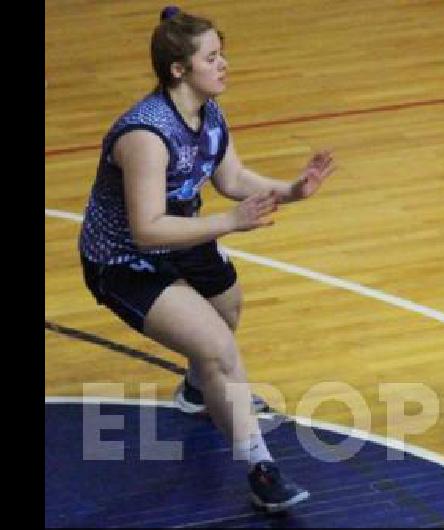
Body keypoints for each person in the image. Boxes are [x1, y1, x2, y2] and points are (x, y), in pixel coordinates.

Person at [78, 6, 335, 512]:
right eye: (212, 58)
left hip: (182, 236)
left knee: (229, 306)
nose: (224, 65)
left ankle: (198, 391)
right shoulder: (145, 136)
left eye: (223, 54)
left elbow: (232, 179)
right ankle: (261, 470)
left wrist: (292, 190)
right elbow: (148, 230)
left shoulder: (208, 113)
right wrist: (230, 222)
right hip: (124, 259)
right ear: (179, 70)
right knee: (218, 346)